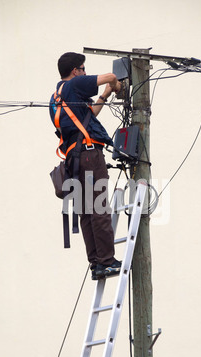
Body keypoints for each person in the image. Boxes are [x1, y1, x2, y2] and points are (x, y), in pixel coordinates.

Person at [50, 52, 122, 280]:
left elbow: (88, 116)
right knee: (99, 208)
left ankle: (96, 264)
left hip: (74, 161)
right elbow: (110, 75)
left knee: (86, 212)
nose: (84, 72)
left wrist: (106, 95)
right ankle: (108, 261)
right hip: (90, 157)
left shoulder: (56, 97)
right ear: (75, 71)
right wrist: (116, 85)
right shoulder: (75, 84)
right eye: (83, 68)